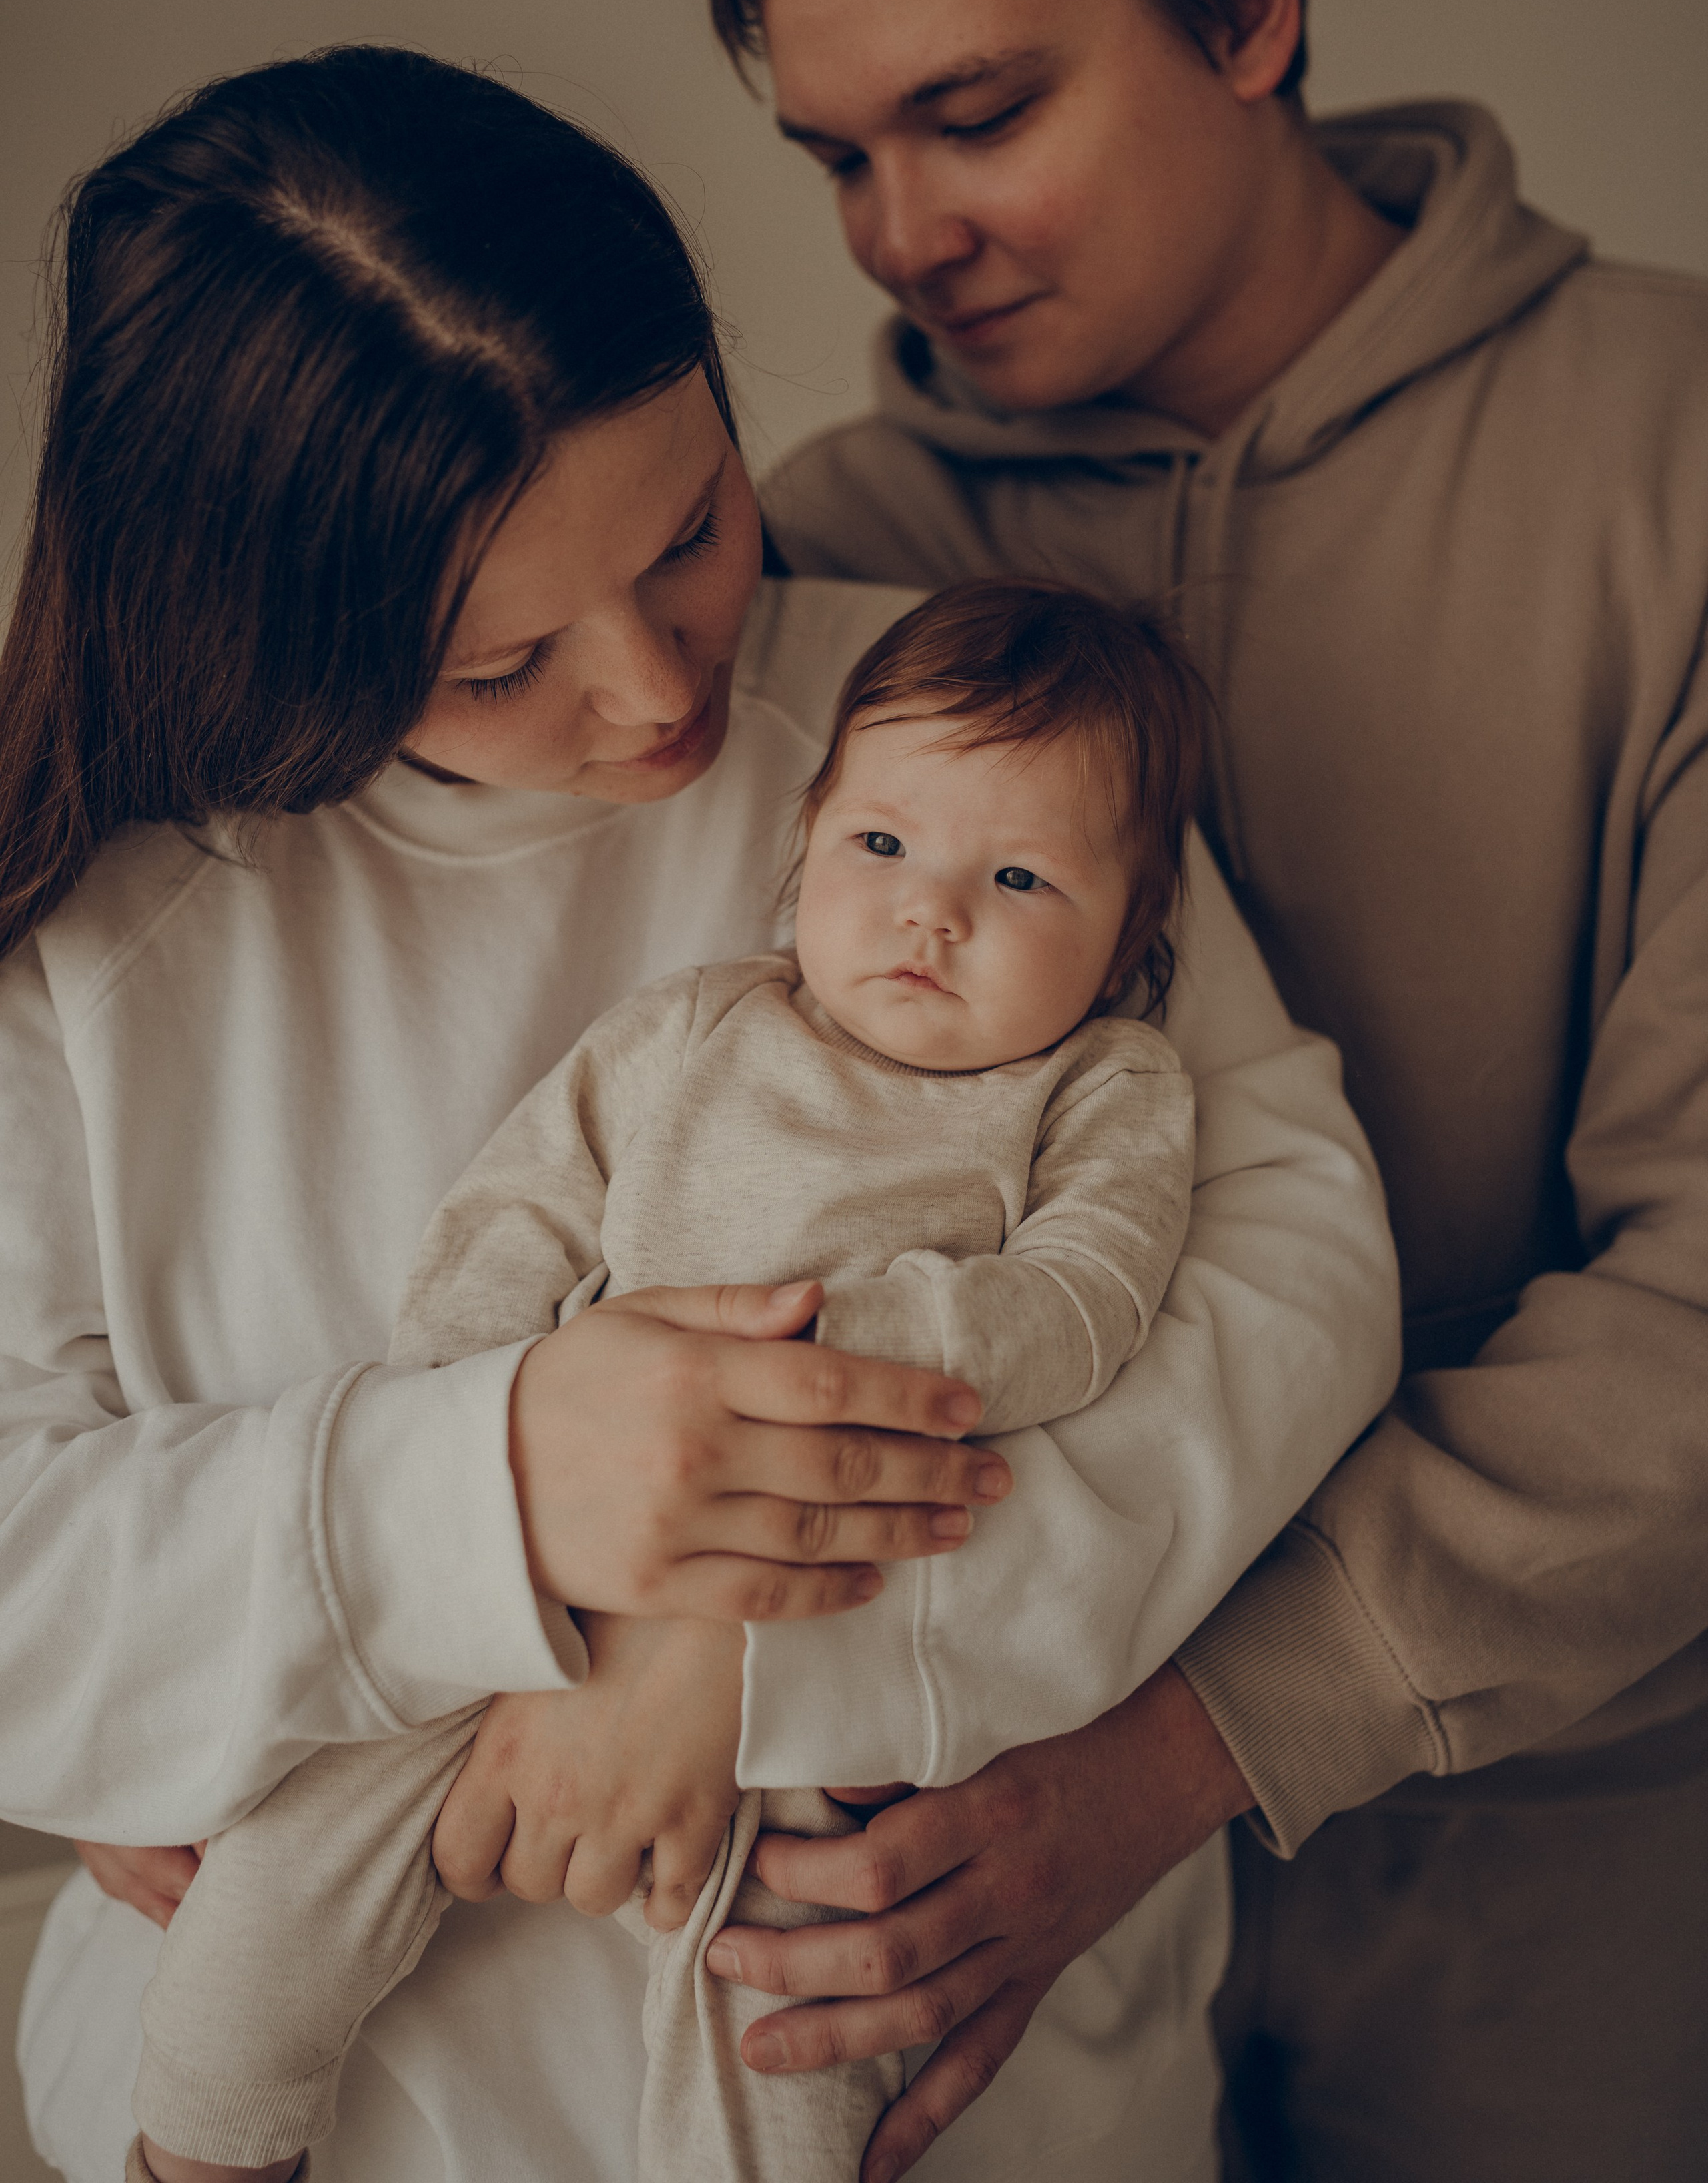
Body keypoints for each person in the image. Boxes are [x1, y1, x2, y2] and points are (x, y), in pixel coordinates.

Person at [3, 43, 1397, 2183]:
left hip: (942, 2079)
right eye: (496, 663)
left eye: (690, 534)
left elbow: (1285, 1294)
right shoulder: (109, 946)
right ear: (267, 623)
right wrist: (494, 1484)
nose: (659, 689)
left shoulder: (966, 752)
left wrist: (744, 1663)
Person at [689, 0, 1708, 2178]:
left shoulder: (1675, 464)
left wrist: (1182, 1755)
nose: (894, 232)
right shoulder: (820, 562)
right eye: (831, 153)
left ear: (1247, 0)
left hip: (1560, 1921)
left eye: (973, 111)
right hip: (948, 1925)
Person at [130, 577, 1206, 2183]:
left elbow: (1088, 1299)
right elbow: (518, 1214)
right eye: (882, 846)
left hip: (814, 1611)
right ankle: (204, 2150)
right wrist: (481, 1431)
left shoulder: (1102, 1083)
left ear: (1132, 936)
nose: (930, 912)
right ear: (806, 845)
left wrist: (841, 1355)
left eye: (1021, 876)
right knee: (292, 1860)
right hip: (545, 1543)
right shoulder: (694, 1025)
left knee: (781, 2016)